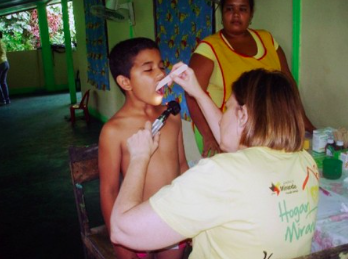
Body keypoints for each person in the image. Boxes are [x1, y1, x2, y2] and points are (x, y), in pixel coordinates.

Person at [109, 66, 319, 259]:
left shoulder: (221, 173)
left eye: (227, 108)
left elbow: (122, 231)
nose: (220, 119)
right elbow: (234, 144)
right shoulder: (305, 162)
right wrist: (197, 92)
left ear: (243, 115)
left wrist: (139, 158)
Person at [187, 0, 315, 157]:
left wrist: (303, 122)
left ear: (251, 13)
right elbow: (192, 94)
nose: (235, 14)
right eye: (229, 9)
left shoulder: (267, 40)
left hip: (265, 134)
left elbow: (288, 85)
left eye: (242, 9)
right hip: (224, 132)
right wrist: (208, 136)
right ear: (222, 13)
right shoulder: (209, 49)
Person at [99, 38, 189, 259]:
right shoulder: (114, 130)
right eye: (148, 69)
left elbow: (182, 165)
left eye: (161, 66)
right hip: (135, 224)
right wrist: (119, 240)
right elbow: (109, 190)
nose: (160, 74)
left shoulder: (172, 116)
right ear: (126, 82)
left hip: (170, 217)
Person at [0, 31, 10, 106]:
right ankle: (7, 99)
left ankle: (2, 100)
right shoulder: (2, 42)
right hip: (5, 63)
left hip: (0, 63)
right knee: (3, 82)